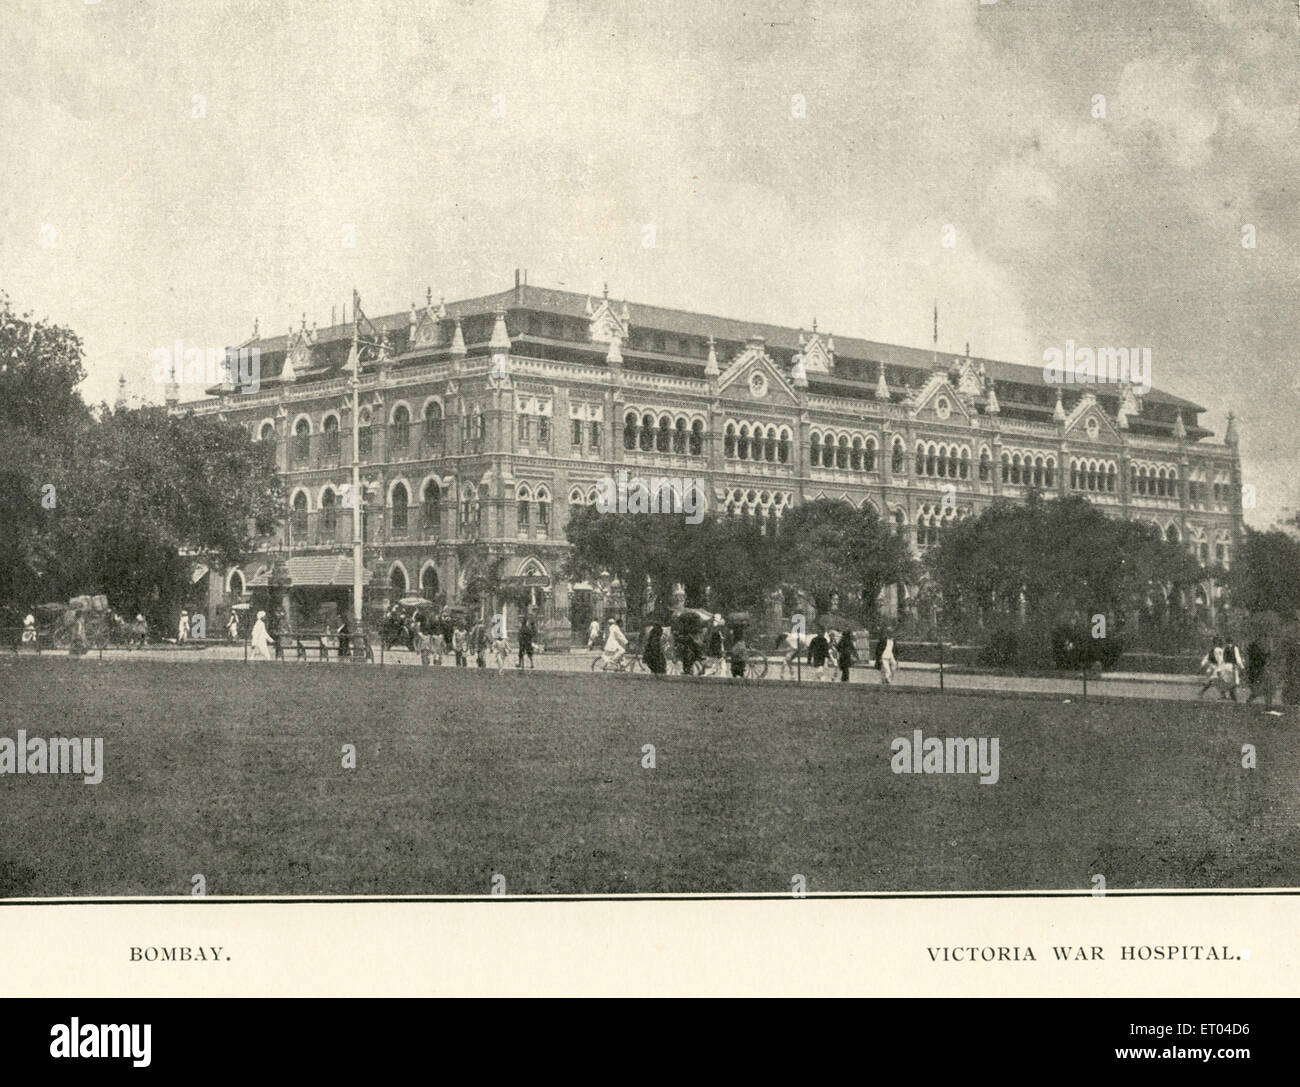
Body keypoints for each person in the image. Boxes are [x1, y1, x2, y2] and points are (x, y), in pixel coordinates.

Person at [1244, 640, 1270, 705]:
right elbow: (1262, 661)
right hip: (1258, 672)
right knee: (1262, 688)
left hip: (1254, 672)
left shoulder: (1252, 655)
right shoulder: (1257, 654)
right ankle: (1267, 702)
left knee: (1258, 688)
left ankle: (1251, 699)